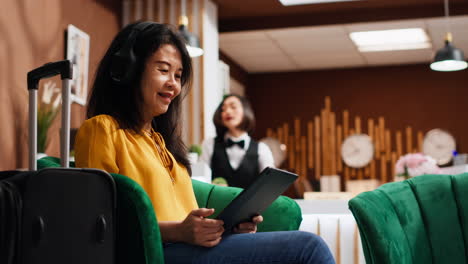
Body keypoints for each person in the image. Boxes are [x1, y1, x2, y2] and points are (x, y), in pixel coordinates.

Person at [74, 21, 335, 264]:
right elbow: (101, 224)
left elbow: (186, 216)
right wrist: (179, 231)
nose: (173, 85)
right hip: (158, 254)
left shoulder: (160, 143)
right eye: (163, 70)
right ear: (128, 71)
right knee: (309, 247)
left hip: (191, 249)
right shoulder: (102, 130)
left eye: (178, 75)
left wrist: (224, 228)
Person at [201, 94, 274, 189]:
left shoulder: (262, 149)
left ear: (245, 111)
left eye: (233, 107)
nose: (227, 111)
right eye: (223, 109)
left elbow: (269, 183)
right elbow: (201, 180)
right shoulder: (209, 144)